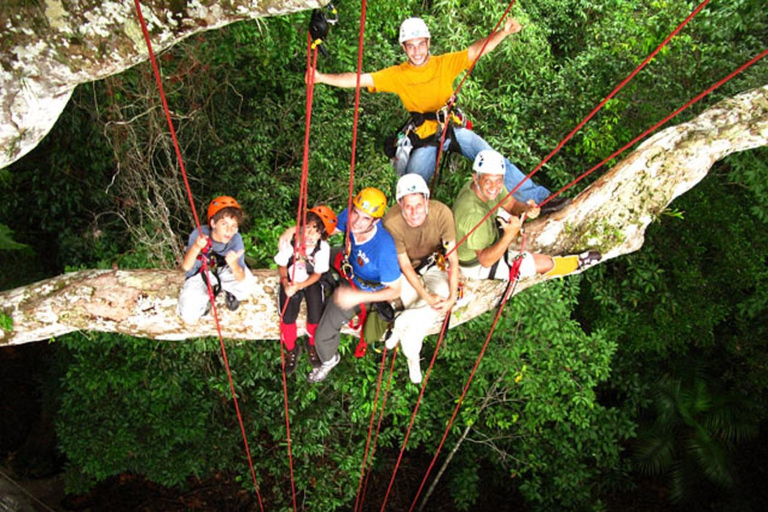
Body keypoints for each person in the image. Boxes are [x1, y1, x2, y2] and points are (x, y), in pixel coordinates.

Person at [308, 16, 569, 213]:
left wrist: (504, 32)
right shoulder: (397, 75)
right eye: (411, 46)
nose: (417, 51)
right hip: (425, 137)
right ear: (404, 48)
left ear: (428, 43)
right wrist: (320, 78)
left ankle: (539, 198)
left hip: (452, 128)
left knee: (491, 158)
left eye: (420, 44)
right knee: (411, 184)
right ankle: (408, 232)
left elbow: (478, 50)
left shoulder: (444, 63)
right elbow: (358, 79)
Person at [453, 150, 601, 281]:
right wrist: (508, 235)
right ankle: (576, 264)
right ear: (476, 178)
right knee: (538, 263)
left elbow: (511, 205)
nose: (494, 187)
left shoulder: (483, 188)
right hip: (474, 263)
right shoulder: (473, 214)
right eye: (488, 181)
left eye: (499, 181)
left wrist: (526, 208)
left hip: (488, 235)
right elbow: (485, 260)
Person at [307, 187, 402, 383]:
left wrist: (358, 297)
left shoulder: (384, 250)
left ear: (375, 220)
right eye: (356, 213)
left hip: (360, 289)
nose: (356, 222)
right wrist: (302, 238)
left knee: (322, 337)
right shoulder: (350, 216)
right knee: (306, 262)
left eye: (365, 218)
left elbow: (395, 290)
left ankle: (329, 360)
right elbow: (327, 228)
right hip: (345, 260)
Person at [382, 174, 459, 384]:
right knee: (419, 323)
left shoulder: (442, 213)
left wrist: (452, 297)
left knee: (440, 299)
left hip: (434, 265)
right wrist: (425, 294)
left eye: (418, 205)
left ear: (426, 200)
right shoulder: (392, 221)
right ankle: (413, 358)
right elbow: (405, 265)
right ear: (400, 205)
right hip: (407, 274)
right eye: (408, 206)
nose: (414, 212)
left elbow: (452, 258)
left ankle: (401, 322)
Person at [275, 206, 337, 375]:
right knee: (287, 317)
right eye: (307, 228)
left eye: (315, 231)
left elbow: (317, 274)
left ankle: (312, 344)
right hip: (291, 276)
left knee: (316, 313)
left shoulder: (322, 248)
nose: (310, 235)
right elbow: (281, 265)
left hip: (310, 279)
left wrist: (300, 286)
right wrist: (286, 283)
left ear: (321, 234)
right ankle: (291, 348)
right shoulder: (291, 241)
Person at [177, 196, 255, 323]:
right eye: (224, 224)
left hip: (224, 270)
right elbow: (186, 267)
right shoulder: (199, 234)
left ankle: (231, 293)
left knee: (247, 286)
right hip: (201, 273)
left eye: (233, 226)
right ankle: (204, 302)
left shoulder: (236, 239)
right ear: (213, 223)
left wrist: (234, 265)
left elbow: (241, 277)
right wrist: (197, 247)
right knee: (188, 316)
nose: (229, 230)